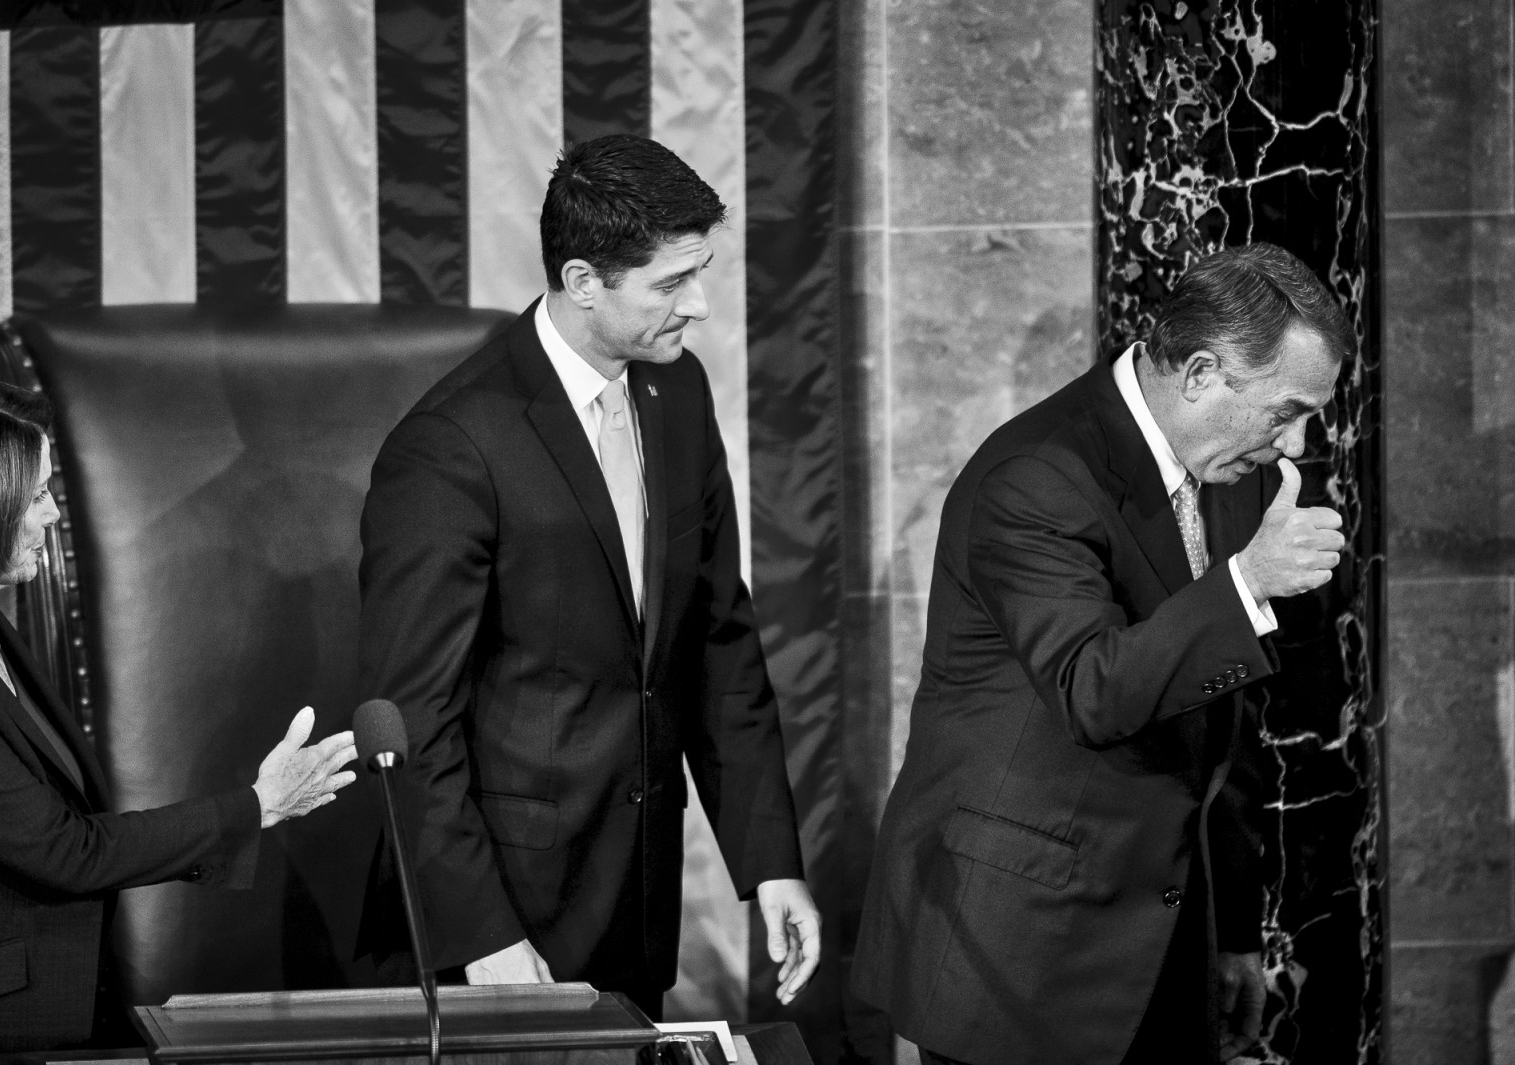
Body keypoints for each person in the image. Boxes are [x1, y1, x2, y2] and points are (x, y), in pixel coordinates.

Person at [853, 243, 1353, 1064]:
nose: (1295, 445)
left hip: (1164, 938)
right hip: (1019, 949)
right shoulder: (1036, 476)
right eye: (1284, 411)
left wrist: (1230, 931)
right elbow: (1090, 688)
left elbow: (1227, 723)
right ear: (1200, 373)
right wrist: (1247, 584)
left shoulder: (1240, 472)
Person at [355, 133, 819, 1018]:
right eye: (672, 283)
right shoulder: (451, 446)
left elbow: (715, 637)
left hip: (633, 908)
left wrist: (770, 863)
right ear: (581, 282)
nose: (704, 305)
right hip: (498, 922)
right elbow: (411, 722)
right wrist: (482, 935)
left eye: (702, 271)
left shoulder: (677, 393)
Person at [0, 369, 359, 1063]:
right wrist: (256, 806)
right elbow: (64, 849)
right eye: (34, 496)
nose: (53, 515)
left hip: (58, 1009)